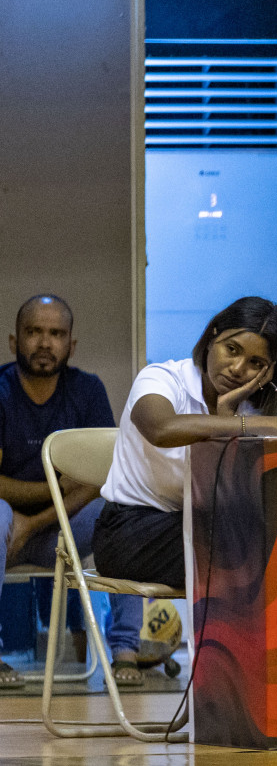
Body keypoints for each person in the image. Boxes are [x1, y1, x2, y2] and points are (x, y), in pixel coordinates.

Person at [95, 297, 277, 684]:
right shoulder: (163, 378)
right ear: (212, 336)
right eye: (231, 350)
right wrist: (232, 425)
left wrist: (234, 419)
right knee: (250, 547)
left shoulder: (263, 409)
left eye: (256, 363)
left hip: (202, 527)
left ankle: (261, 682)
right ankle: (232, 684)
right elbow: (161, 429)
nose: (237, 369)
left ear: (270, 371)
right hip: (130, 533)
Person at [0, 295, 139, 688]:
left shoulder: (87, 391)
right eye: (34, 332)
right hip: (5, 528)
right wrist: (50, 487)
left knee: (125, 505)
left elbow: (100, 479)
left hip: (61, 530)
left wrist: (36, 521)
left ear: (71, 345)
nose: (45, 343)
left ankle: (126, 648)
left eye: (56, 333)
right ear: (14, 341)